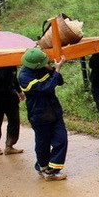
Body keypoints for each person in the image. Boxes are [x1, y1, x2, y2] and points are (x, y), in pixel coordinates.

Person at [18, 48, 68, 181]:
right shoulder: (24, 77)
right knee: (42, 144)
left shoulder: (43, 68)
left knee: (61, 139)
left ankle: (52, 170)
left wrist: (52, 69)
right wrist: (56, 71)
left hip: (54, 111)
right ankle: (43, 167)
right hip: (39, 114)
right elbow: (46, 89)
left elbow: (60, 81)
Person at [0, 65, 24, 155]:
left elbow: (13, 78)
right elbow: (6, 76)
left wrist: (19, 91)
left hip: (9, 94)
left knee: (14, 120)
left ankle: (9, 146)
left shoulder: (11, 63)